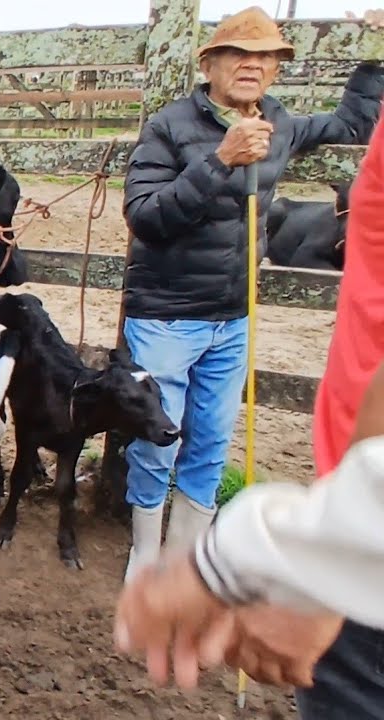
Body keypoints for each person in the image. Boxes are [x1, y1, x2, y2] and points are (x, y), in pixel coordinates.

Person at [115, 70, 384, 717]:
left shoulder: (283, 123)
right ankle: (145, 555)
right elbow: (147, 217)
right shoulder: (171, 126)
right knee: (158, 438)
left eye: (265, 56)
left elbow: (348, 124)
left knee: (208, 442)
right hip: (170, 313)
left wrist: (369, 71)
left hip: (232, 318)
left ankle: (186, 554)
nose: (250, 67)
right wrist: (219, 162)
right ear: (207, 63)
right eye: (236, 52)